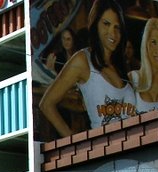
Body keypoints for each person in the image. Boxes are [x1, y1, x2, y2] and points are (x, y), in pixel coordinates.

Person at [39, 0, 136, 137]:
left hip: (135, 151)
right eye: (106, 24)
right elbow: (46, 104)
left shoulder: (120, 65)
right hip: (105, 153)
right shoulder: (83, 60)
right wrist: (75, 143)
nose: (112, 33)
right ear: (95, 24)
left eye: (117, 27)